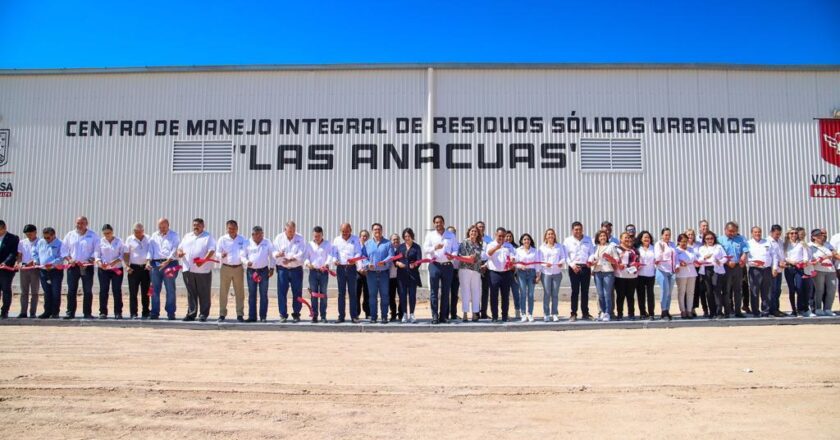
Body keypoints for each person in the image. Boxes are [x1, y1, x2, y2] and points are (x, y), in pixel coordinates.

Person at [177, 218, 216, 322]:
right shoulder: (187, 236)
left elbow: (211, 250)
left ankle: (203, 314)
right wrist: (180, 253)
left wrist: (203, 261)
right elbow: (180, 248)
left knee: (204, 293)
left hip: (202, 270)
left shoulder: (208, 237)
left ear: (203, 226)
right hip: (188, 269)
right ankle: (191, 313)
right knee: (191, 293)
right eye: (194, 225)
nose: (196, 226)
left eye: (198, 225)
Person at [423, 215, 459, 324]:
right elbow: (425, 249)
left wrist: (453, 255)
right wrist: (434, 248)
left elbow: (455, 249)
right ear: (434, 224)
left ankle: (443, 316)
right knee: (434, 292)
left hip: (447, 266)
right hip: (434, 265)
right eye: (436, 222)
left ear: (444, 223)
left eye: (440, 222)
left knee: (445, 291)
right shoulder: (430, 235)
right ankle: (434, 316)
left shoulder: (450, 235)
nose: (438, 224)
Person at [62, 216, 99, 319]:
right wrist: (69, 260)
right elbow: (64, 250)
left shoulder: (93, 235)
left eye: (82, 223)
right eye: (78, 223)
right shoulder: (70, 235)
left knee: (87, 290)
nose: (80, 225)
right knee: (71, 290)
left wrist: (90, 259)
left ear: (87, 223)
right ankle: (70, 313)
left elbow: (97, 250)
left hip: (87, 267)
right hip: (73, 267)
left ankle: (87, 313)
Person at [147, 218, 180, 320]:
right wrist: (148, 261)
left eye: (164, 227)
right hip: (155, 264)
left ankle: (170, 312)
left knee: (170, 288)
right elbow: (150, 250)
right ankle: (154, 312)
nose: (161, 229)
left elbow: (175, 250)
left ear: (168, 225)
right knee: (154, 289)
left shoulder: (174, 235)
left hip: (170, 264)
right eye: (160, 227)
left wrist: (168, 261)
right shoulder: (154, 236)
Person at [274, 220, 306, 323]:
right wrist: (278, 254)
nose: (291, 233)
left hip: (296, 269)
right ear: (285, 230)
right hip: (283, 269)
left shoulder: (300, 238)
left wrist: (291, 259)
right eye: (289, 231)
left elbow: (302, 253)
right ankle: (283, 314)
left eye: (293, 231)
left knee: (297, 292)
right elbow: (273, 252)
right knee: (282, 292)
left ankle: (296, 314)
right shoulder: (279, 238)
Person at [216, 220, 248, 322]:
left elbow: (245, 253)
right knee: (223, 292)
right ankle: (222, 314)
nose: (231, 230)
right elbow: (217, 252)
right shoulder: (222, 239)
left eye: (233, 228)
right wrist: (221, 255)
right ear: (227, 228)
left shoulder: (242, 239)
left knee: (239, 292)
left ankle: (239, 314)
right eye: (229, 228)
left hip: (238, 268)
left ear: (237, 228)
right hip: (226, 267)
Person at [362, 223, 394, 324]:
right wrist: (367, 264)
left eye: (379, 229)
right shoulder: (367, 244)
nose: (377, 231)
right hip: (371, 274)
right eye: (375, 229)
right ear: (372, 231)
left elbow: (391, 256)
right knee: (372, 296)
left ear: (382, 230)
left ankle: (384, 316)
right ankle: (373, 317)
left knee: (384, 295)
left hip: (384, 273)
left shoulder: (388, 243)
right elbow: (363, 257)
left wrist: (384, 262)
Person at [94, 224, 126, 319]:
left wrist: (115, 261)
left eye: (109, 233)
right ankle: (103, 312)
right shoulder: (100, 242)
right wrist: (100, 264)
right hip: (104, 270)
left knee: (116, 290)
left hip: (117, 269)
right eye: (105, 233)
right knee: (103, 290)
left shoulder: (119, 241)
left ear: (112, 231)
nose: (107, 235)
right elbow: (97, 256)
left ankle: (118, 312)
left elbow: (122, 255)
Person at [483, 227, 515, 323]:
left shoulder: (508, 245)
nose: (501, 238)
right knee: (494, 296)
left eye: (503, 236)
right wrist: (496, 247)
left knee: (505, 296)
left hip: (506, 273)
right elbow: (487, 255)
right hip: (494, 273)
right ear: (495, 235)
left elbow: (513, 255)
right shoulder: (491, 244)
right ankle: (495, 316)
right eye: (499, 236)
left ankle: (504, 316)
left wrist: (513, 259)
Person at [564, 221, 594, 322]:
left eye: (580, 229)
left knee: (585, 291)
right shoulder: (567, 240)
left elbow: (592, 253)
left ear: (582, 229)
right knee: (575, 291)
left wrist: (590, 261)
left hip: (585, 267)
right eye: (576, 229)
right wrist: (572, 265)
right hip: (574, 268)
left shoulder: (588, 239)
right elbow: (565, 255)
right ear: (572, 230)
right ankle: (573, 313)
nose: (578, 231)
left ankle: (585, 313)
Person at [332, 223, 363, 323]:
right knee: (341, 293)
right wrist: (335, 260)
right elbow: (334, 253)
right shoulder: (336, 240)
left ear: (350, 230)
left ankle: (354, 316)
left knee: (352, 293)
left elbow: (358, 252)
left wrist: (355, 259)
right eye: (343, 231)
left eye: (347, 231)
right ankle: (341, 316)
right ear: (340, 231)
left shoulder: (355, 239)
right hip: (340, 268)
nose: (345, 233)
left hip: (351, 268)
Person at [34, 227, 66, 319]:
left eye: (48, 237)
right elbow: (35, 252)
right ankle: (47, 312)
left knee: (55, 292)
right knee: (47, 292)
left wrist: (52, 264)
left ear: (53, 235)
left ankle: (55, 312)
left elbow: (62, 256)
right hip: (43, 271)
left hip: (55, 271)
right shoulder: (40, 242)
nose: (46, 239)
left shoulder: (60, 243)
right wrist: (37, 261)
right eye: (45, 237)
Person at [244, 226, 274, 322]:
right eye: (258, 234)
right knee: (252, 294)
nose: (260, 236)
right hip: (251, 271)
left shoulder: (267, 242)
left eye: (262, 234)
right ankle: (252, 316)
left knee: (263, 294)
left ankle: (263, 317)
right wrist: (246, 262)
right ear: (253, 235)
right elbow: (242, 255)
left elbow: (272, 256)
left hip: (264, 271)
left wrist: (272, 268)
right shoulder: (247, 243)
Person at [719, 222, 749, 318]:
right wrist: (727, 262)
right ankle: (727, 312)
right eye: (730, 231)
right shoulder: (720, 240)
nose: (732, 233)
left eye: (734, 231)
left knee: (738, 290)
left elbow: (745, 249)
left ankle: (738, 311)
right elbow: (719, 254)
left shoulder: (740, 239)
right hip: (726, 267)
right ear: (725, 230)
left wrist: (744, 256)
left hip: (738, 267)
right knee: (726, 290)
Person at [305, 226, 334, 323]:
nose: (316, 238)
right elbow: (306, 257)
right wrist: (308, 264)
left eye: (318, 236)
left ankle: (323, 316)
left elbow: (330, 256)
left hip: (323, 272)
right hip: (313, 272)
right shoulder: (309, 244)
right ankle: (314, 315)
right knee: (314, 294)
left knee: (323, 294)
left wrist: (326, 264)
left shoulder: (327, 244)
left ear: (322, 235)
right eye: (315, 236)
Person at [745, 226, 775, 317]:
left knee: (766, 291)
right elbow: (745, 258)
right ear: (752, 233)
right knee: (754, 291)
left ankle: (765, 311)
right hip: (754, 270)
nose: (757, 234)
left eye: (759, 232)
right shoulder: (748, 243)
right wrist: (753, 263)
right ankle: (755, 311)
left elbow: (774, 255)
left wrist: (774, 268)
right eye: (755, 232)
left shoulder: (767, 242)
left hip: (766, 269)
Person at [697, 231, 728, 319]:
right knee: (709, 291)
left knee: (717, 290)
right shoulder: (702, 248)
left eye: (711, 238)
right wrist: (704, 257)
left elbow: (725, 257)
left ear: (714, 239)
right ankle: (712, 312)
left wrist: (720, 261)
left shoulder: (718, 247)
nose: (710, 240)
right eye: (707, 239)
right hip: (706, 270)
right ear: (704, 240)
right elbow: (698, 260)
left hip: (716, 269)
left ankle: (719, 312)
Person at [123, 223, 151, 320]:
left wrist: (148, 262)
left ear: (143, 231)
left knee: (146, 292)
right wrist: (126, 266)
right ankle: (133, 313)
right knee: (133, 292)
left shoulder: (148, 238)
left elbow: (150, 252)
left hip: (145, 268)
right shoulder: (129, 239)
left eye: (139, 232)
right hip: (133, 268)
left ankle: (146, 312)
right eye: (135, 232)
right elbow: (126, 254)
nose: (137, 234)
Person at [539, 228, 567, 322]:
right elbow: (539, 260)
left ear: (554, 236)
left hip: (557, 273)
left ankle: (554, 313)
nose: (550, 236)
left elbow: (563, 257)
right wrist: (544, 264)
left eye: (552, 234)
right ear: (546, 236)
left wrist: (560, 262)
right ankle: (546, 314)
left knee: (555, 294)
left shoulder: (559, 246)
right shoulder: (542, 247)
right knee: (547, 294)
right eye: (548, 234)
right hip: (546, 273)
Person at [456, 225, 483, 322]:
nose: (473, 233)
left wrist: (474, 259)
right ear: (469, 232)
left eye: (475, 231)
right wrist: (470, 258)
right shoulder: (464, 242)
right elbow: (460, 255)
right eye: (472, 231)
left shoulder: (479, 244)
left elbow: (479, 258)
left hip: (476, 270)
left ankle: (475, 313)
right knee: (465, 291)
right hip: (465, 269)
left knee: (476, 291)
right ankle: (465, 313)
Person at [396, 227, 422, 323]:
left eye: (409, 236)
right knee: (402, 295)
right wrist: (398, 263)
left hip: (412, 275)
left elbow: (419, 260)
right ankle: (404, 314)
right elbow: (395, 259)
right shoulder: (400, 247)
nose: (407, 238)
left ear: (412, 236)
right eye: (405, 236)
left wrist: (415, 264)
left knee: (412, 295)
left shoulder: (417, 247)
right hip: (402, 275)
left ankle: (412, 314)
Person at [591, 230, 618, 322]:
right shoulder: (595, 248)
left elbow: (616, 259)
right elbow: (592, 259)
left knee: (607, 293)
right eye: (601, 236)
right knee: (600, 294)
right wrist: (592, 264)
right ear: (598, 238)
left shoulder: (611, 247)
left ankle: (607, 312)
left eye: (604, 236)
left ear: (607, 237)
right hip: (597, 271)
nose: (602, 237)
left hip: (608, 272)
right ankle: (602, 311)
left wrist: (610, 259)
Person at [809, 229, 837, 316]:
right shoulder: (810, 246)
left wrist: (831, 255)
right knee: (819, 290)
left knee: (831, 289)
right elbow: (811, 259)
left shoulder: (827, 244)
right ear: (813, 237)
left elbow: (833, 253)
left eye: (821, 235)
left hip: (831, 270)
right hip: (819, 270)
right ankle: (818, 308)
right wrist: (821, 258)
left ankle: (828, 308)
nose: (821, 237)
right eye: (818, 235)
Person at [514, 233, 540, 322]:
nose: (526, 241)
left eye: (528, 239)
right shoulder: (518, 250)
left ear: (530, 241)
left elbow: (537, 263)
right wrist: (520, 266)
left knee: (531, 294)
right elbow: (515, 262)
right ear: (521, 241)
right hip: (521, 273)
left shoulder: (534, 251)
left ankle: (530, 313)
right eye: (524, 239)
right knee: (523, 293)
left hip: (532, 273)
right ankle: (523, 314)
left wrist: (538, 275)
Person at [783, 228, 809, 317]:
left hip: (799, 268)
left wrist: (804, 261)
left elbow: (805, 255)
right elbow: (784, 256)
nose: (794, 235)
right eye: (791, 233)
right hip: (789, 268)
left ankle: (799, 309)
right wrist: (790, 261)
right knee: (792, 289)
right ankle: (793, 310)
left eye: (795, 233)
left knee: (799, 288)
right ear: (788, 234)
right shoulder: (785, 244)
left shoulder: (801, 244)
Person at [16, 224, 39, 318]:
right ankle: (23, 312)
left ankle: (33, 312)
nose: (28, 235)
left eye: (30, 233)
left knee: (34, 292)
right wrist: (18, 263)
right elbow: (19, 256)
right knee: (24, 291)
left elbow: (41, 255)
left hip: (35, 269)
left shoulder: (40, 242)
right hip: (24, 269)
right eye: (27, 234)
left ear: (35, 232)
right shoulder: (22, 242)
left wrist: (32, 262)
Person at [615, 232, 639, 320]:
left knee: (630, 296)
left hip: (632, 276)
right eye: (625, 237)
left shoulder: (634, 249)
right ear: (620, 239)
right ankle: (620, 314)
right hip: (620, 276)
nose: (627, 239)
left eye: (629, 237)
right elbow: (613, 261)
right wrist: (618, 264)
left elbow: (638, 260)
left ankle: (631, 314)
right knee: (620, 296)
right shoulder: (616, 249)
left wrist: (637, 265)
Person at [674, 233, 699, 319]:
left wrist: (698, 262)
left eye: (685, 241)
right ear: (678, 242)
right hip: (681, 273)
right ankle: (683, 310)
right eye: (682, 241)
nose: (684, 243)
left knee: (691, 293)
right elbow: (675, 261)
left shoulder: (691, 249)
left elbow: (695, 259)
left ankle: (689, 310)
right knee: (682, 292)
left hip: (692, 272)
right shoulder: (676, 250)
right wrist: (679, 264)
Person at [654, 228, 676, 320]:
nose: (667, 236)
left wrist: (676, 266)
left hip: (671, 271)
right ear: (662, 235)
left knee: (669, 292)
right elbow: (657, 258)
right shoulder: (658, 244)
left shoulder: (672, 244)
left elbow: (675, 256)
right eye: (666, 235)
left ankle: (667, 310)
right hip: (662, 270)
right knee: (664, 291)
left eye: (669, 235)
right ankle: (663, 310)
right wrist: (662, 251)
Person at [0, 220, 20, 319]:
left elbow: (13, 253)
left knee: (6, 290)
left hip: (6, 269)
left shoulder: (13, 238)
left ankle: (4, 311)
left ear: (4, 228)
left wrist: (5, 263)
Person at [635, 231, 656, 320]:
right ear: (641, 239)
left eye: (648, 237)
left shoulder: (653, 248)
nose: (647, 239)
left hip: (651, 274)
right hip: (640, 275)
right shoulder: (637, 249)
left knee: (650, 295)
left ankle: (651, 313)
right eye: (645, 237)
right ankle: (642, 313)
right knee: (641, 295)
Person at [686, 228, 707, 318]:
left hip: (698, 269)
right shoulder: (683, 245)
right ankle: (688, 308)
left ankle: (697, 308)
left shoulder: (699, 245)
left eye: (692, 234)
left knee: (697, 289)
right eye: (688, 234)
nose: (690, 236)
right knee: (687, 290)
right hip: (687, 269)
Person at [767, 225, 786, 317]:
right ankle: (772, 309)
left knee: (778, 290)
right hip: (772, 269)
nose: (778, 236)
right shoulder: (768, 242)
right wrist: (777, 264)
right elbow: (769, 256)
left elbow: (782, 254)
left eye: (779, 234)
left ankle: (776, 308)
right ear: (771, 232)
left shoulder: (780, 241)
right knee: (772, 290)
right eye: (776, 234)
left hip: (780, 269)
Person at [475, 220, 493, 319]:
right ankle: (476, 312)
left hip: (486, 265)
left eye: (482, 227)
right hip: (475, 265)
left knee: (485, 290)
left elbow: (491, 254)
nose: (481, 228)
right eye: (479, 227)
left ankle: (484, 312)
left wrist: (486, 264)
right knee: (475, 289)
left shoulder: (489, 239)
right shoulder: (473, 238)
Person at [505, 230, 522, 319]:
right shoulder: (502, 247)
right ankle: (505, 312)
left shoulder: (517, 248)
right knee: (505, 295)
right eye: (507, 236)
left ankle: (517, 311)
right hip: (504, 273)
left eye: (510, 236)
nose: (508, 238)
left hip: (515, 274)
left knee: (516, 293)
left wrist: (515, 267)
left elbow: (519, 259)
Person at [356, 229, 371, 319]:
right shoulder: (356, 246)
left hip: (368, 273)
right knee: (356, 293)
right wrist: (359, 269)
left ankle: (368, 313)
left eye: (366, 236)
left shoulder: (370, 246)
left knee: (367, 294)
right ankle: (356, 313)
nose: (364, 237)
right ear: (360, 237)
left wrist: (367, 269)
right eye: (362, 236)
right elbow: (355, 259)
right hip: (357, 272)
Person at [447, 226, 461, 320]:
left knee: (454, 294)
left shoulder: (459, 245)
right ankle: (444, 313)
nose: (452, 234)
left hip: (456, 270)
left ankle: (454, 313)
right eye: (450, 232)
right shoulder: (445, 244)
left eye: (453, 232)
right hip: (446, 269)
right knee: (445, 293)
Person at [387, 233, 401, 322]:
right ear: (390, 241)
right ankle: (393, 313)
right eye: (394, 239)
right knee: (391, 297)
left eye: (397, 239)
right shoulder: (388, 250)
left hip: (400, 277)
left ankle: (401, 313)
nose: (395, 241)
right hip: (390, 277)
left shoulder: (402, 249)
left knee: (401, 296)